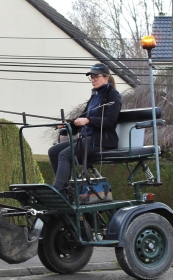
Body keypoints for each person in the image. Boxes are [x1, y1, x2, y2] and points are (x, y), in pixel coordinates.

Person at [47, 63, 122, 192]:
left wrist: (88, 120)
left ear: (106, 78)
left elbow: (110, 121)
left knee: (65, 155)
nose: (93, 80)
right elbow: (82, 118)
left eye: (96, 77)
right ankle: (67, 190)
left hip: (101, 140)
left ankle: (58, 189)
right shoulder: (95, 96)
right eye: (91, 78)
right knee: (53, 151)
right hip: (87, 138)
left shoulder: (113, 95)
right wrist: (68, 124)